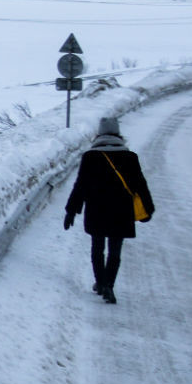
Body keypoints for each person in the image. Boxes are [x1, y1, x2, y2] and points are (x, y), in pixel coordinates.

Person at [64, 114, 154, 303]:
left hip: (96, 210)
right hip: (122, 211)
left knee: (97, 248)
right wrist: (148, 209)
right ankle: (109, 286)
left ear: (99, 134)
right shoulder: (130, 157)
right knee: (115, 251)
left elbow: (80, 186)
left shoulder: (90, 157)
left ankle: (100, 282)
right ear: (118, 134)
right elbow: (141, 185)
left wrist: (71, 210)